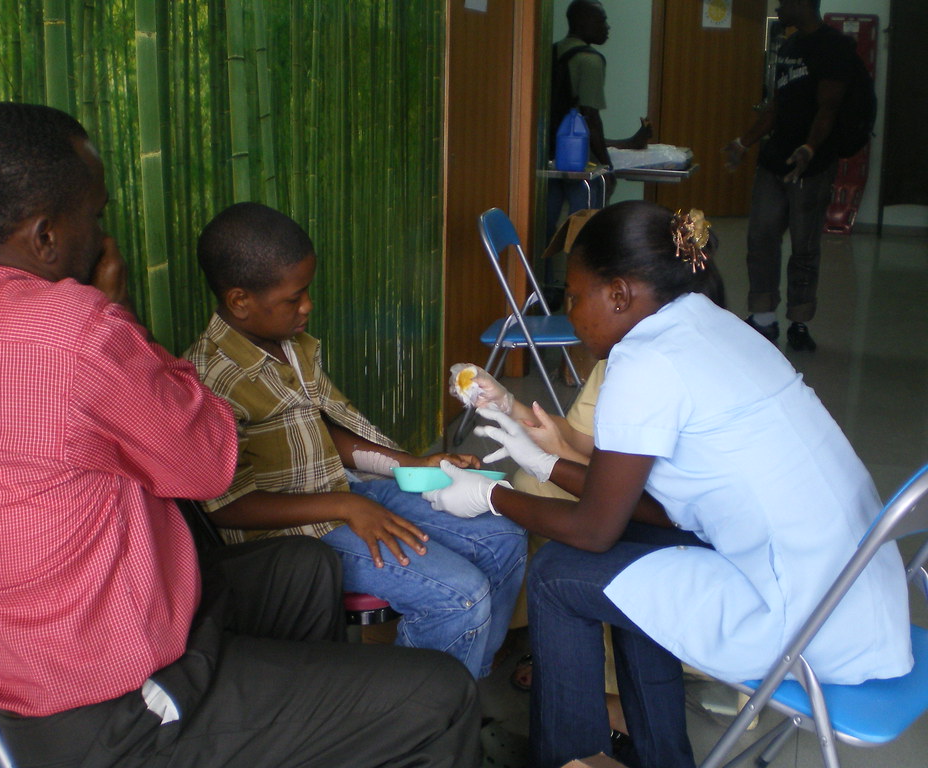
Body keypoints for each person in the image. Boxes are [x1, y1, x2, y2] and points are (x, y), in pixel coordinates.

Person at [0, 102, 481, 768]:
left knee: (302, 571)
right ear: (45, 236)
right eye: (95, 215)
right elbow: (208, 463)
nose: (102, 234)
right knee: (443, 698)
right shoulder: (71, 331)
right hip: (119, 709)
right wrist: (115, 312)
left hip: (33, 680)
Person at [425, 200, 913, 768]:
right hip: (855, 595)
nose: (572, 313)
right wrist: (541, 464)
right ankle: (660, 757)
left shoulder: (645, 362)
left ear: (619, 294)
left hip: (802, 617)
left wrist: (489, 495)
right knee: (631, 570)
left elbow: (594, 529)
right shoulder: (710, 325)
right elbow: (655, 508)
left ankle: (572, 761)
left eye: (575, 297)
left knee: (559, 575)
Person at [185, 202, 526, 680]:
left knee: (505, 539)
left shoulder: (288, 343)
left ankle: (466, 681)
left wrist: (416, 464)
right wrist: (347, 508)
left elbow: (329, 434)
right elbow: (227, 507)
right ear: (239, 300)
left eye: (307, 292)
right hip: (290, 535)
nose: (307, 306)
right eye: (294, 298)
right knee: (461, 596)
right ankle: (418, 719)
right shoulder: (208, 381)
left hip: (343, 492)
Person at [723, 0, 857, 352]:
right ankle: (764, 318)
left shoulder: (835, 46)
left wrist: (810, 149)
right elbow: (775, 106)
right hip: (774, 159)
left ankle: (799, 321)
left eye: (784, 1)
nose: (779, 5)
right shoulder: (789, 44)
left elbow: (829, 106)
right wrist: (744, 142)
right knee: (761, 236)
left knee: (804, 245)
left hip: (811, 165)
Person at [547, 0, 651, 239]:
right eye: (601, 20)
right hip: (580, 162)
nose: (607, 27)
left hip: (548, 154)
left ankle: (544, 275)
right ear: (583, 22)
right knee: (583, 228)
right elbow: (589, 119)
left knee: (545, 226)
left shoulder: (551, 52)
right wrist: (607, 168)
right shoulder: (590, 60)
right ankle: (576, 273)